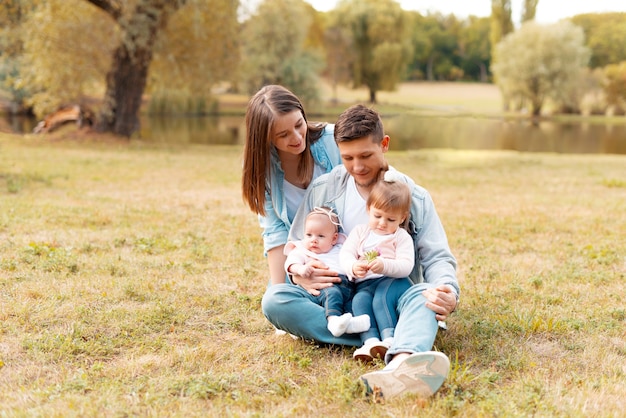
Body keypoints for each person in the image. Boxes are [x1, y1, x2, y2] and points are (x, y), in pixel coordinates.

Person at [262, 104, 460, 400]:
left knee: (424, 297)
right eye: (347, 158)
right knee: (275, 300)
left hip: (391, 293)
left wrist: (447, 290)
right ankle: (389, 338)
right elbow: (296, 243)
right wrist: (300, 277)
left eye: (366, 155)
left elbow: (436, 256)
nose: (357, 166)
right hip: (335, 294)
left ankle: (403, 360)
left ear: (384, 145)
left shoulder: (412, 196)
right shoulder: (324, 188)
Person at [241, 85, 342, 286]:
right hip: (302, 265)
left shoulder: (334, 140)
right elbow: (275, 232)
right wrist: (292, 283)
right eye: (283, 134)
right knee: (274, 303)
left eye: (299, 124)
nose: (296, 138)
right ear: (265, 138)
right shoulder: (263, 168)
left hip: (346, 259)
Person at [339, 172, 414, 362]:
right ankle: (370, 342)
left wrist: (384, 266)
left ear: (402, 218)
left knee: (381, 300)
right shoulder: (360, 232)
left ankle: (390, 339)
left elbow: (406, 266)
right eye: (378, 215)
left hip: (393, 282)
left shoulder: (400, 237)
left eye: (390, 219)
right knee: (359, 302)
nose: (382, 223)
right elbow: (345, 254)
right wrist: (353, 266)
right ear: (368, 209)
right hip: (364, 284)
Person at [284, 206, 371, 337]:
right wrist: (301, 269)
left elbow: (352, 259)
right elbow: (291, 263)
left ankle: (349, 324)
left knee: (352, 303)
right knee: (333, 295)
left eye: (320, 236)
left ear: (334, 238)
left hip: (348, 286)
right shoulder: (303, 250)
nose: (313, 239)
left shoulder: (341, 248)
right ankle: (333, 320)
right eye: (309, 235)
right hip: (325, 286)